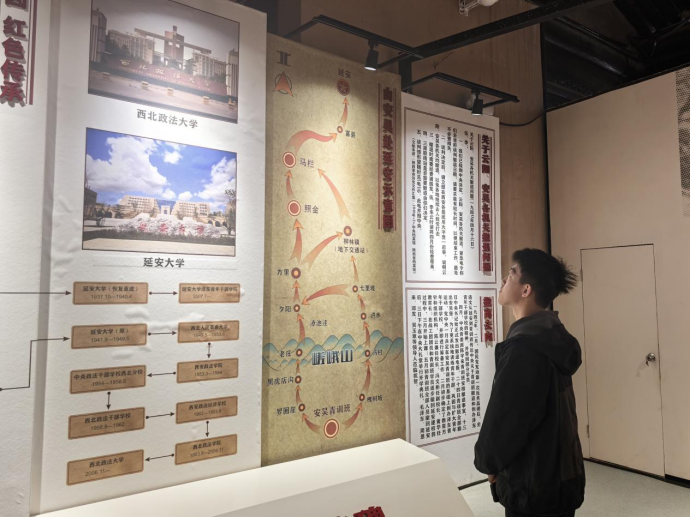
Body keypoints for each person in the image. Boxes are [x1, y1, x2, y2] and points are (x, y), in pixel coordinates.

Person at [474, 249, 585, 518]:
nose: (504, 280)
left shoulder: (524, 349)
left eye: (511, 273)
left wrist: (488, 461)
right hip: (560, 477)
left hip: (533, 485)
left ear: (526, 290)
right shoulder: (552, 336)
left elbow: (508, 418)